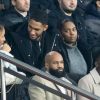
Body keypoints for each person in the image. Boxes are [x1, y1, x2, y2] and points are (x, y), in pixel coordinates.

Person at [8, 7, 48, 76]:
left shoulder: (51, 39)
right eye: (30, 27)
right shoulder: (15, 37)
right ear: (28, 21)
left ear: (45, 28)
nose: (32, 32)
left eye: (36, 29)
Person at [0, 24, 26, 100]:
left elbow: (13, 70)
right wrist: (4, 53)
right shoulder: (4, 52)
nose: (4, 39)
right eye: (2, 36)